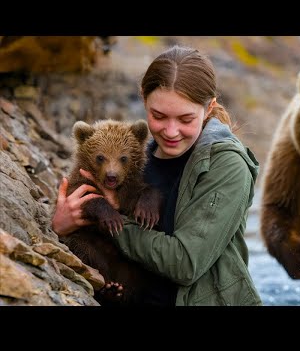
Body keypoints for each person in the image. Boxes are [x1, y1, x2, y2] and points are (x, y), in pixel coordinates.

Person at [51, 45, 263, 306]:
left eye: (185, 119)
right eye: (159, 116)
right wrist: (62, 226)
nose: (171, 131)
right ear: (144, 100)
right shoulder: (141, 157)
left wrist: (114, 219)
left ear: (209, 109)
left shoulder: (227, 166)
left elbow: (185, 264)